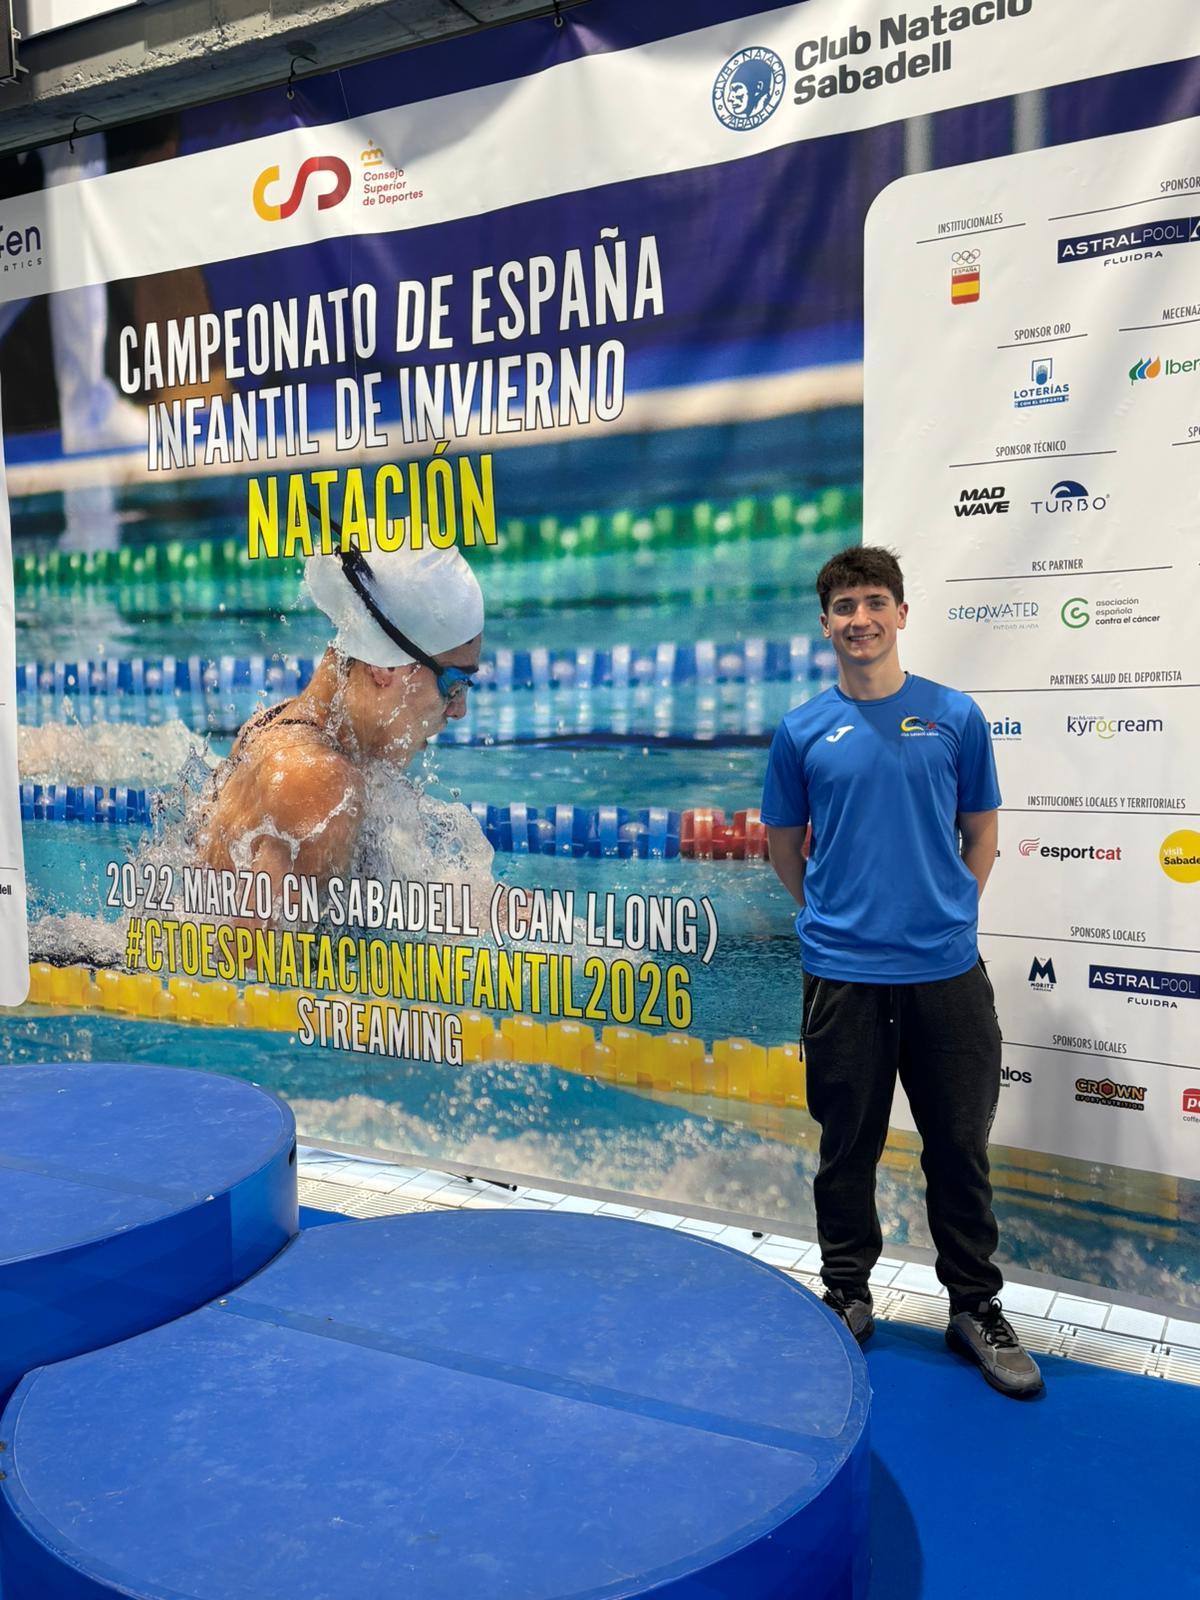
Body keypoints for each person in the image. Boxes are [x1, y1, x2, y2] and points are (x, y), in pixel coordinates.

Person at [760, 545, 1042, 1398]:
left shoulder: (954, 716)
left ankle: (974, 1307)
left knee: (958, 1146)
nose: (861, 619)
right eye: (845, 606)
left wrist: (952, 910)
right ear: (826, 624)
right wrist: (827, 915)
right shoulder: (803, 729)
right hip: (843, 973)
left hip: (944, 973)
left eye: (875, 601)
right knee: (846, 1146)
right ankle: (847, 1292)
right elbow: (782, 845)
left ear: (902, 614)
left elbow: (981, 829)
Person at [197, 540, 483, 909]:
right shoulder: (317, 780)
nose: (458, 710)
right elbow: (255, 962)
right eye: (454, 685)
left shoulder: (277, 724)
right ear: (386, 668)